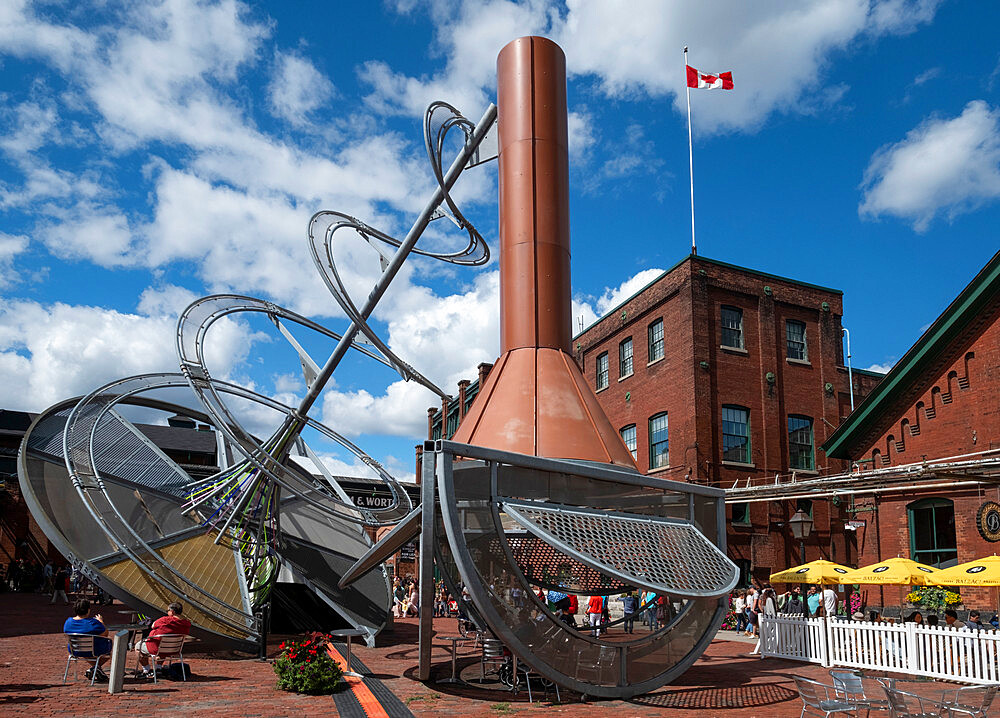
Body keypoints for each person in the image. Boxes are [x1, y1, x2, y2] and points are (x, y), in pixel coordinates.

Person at [135, 602, 191, 678]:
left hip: (156, 648)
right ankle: (158, 668)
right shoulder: (186, 622)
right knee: (163, 644)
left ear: (172, 612)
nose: (167, 612)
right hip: (174, 648)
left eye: (168, 610)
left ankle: (146, 670)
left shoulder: (165, 620)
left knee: (138, 646)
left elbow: (153, 625)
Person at [64, 598, 112, 681]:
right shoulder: (93, 622)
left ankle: (96, 669)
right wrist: (101, 621)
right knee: (110, 645)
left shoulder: (68, 622)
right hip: (92, 650)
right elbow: (105, 633)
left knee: (86, 646)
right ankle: (95, 668)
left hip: (75, 650)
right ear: (88, 610)